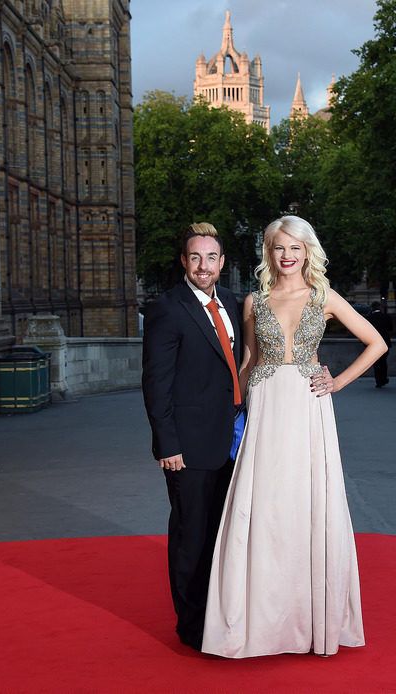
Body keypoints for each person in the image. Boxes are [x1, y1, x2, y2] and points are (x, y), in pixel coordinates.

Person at [201, 215, 387, 658]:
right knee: (264, 507)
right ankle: (259, 623)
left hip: (307, 405)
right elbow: (248, 361)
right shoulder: (253, 301)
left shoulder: (324, 296)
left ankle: (309, 621)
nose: (287, 256)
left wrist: (337, 383)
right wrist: (224, 411)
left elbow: (376, 342)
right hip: (265, 404)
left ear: (307, 252)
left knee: (308, 504)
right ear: (269, 251)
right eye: (279, 248)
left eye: (295, 248)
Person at [141, 223, 243, 650]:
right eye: (195, 257)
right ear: (184, 261)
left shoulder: (233, 304)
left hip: (232, 441)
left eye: (211, 257)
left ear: (222, 262)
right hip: (188, 448)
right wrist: (168, 446)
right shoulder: (168, 308)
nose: (204, 266)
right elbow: (156, 383)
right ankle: (192, 628)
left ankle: (220, 618)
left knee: (223, 535)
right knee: (191, 537)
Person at [366, 301, 392, 387]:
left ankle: (378, 381)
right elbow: (390, 328)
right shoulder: (385, 316)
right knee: (383, 362)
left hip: (372, 342)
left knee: (376, 362)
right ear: (380, 307)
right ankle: (383, 378)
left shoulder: (369, 317)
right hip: (384, 341)